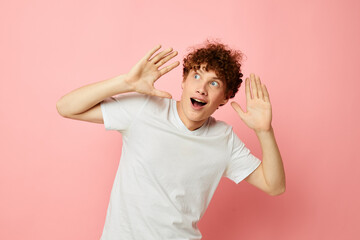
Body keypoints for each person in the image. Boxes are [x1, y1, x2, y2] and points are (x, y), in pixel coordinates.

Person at [56, 40, 286, 240]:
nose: (202, 88)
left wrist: (264, 131)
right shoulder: (145, 109)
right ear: (183, 82)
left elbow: (274, 186)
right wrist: (124, 83)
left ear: (225, 98)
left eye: (214, 83)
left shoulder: (224, 139)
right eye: (196, 76)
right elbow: (66, 107)